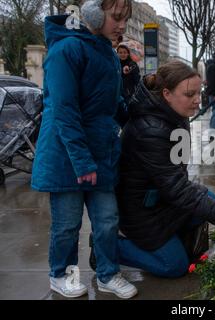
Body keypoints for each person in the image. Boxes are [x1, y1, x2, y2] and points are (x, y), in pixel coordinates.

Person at [31, 0, 137, 299]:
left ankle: (107, 274)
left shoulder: (106, 50)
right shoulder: (66, 50)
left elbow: (110, 103)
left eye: (125, 19)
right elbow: (63, 110)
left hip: (99, 152)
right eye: (116, 17)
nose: (122, 25)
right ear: (93, 14)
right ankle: (60, 274)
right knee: (67, 225)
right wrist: (82, 161)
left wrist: (136, 112)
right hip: (67, 156)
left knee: (107, 220)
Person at [115, 61, 215, 277]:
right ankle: (110, 248)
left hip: (161, 201)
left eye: (198, 93)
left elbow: (176, 181)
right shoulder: (150, 130)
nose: (197, 100)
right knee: (174, 266)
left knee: (210, 199)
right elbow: (177, 189)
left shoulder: (173, 115)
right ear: (166, 94)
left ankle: (175, 238)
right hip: (141, 213)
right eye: (189, 94)